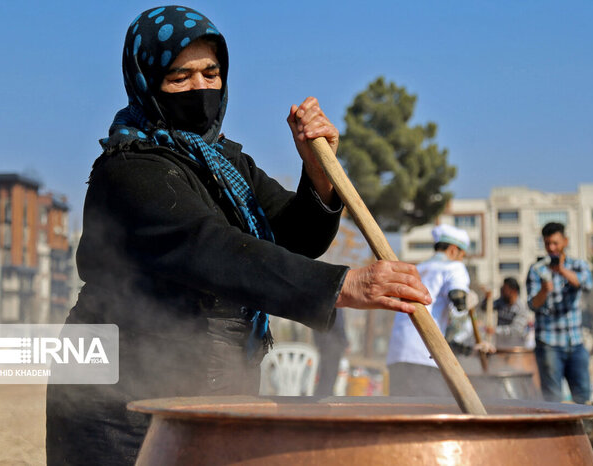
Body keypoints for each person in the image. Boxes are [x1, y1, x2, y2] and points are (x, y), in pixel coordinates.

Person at [46, 7, 431, 465]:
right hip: (115, 400)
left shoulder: (226, 164)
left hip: (205, 387)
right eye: (179, 77)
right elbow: (210, 249)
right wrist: (342, 285)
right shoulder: (129, 166)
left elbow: (294, 236)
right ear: (146, 81)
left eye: (211, 72)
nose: (201, 88)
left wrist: (317, 170)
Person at [386, 224, 472, 396]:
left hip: (398, 354)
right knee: (429, 413)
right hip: (425, 354)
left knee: (401, 414)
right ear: (454, 251)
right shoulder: (454, 267)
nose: (462, 260)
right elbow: (459, 302)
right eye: (462, 255)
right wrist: (460, 340)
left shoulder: (417, 268)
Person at [526, 222, 593, 403]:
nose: (551, 248)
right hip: (549, 344)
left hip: (576, 342)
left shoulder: (578, 265)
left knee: (584, 398)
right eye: (547, 243)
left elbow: (587, 284)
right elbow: (532, 304)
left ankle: (585, 431)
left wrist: (562, 271)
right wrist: (544, 291)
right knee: (553, 400)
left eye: (555, 243)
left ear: (565, 241)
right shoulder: (536, 270)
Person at [482, 277, 529, 347]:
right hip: (500, 346)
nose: (502, 291)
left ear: (513, 291)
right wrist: (487, 299)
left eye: (504, 289)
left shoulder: (521, 308)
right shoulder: (501, 302)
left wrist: (495, 330)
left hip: (515, 347)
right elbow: (485, 308)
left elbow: (516, 330)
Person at [313, 308, 349, 396]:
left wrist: (318, 342)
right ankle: (324, 404)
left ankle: (320, 402)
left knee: (324, 377)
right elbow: (338, 323)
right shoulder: (335, 301)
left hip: (323, 343)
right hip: (333, 343)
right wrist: (345, 341)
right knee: (329, 378)